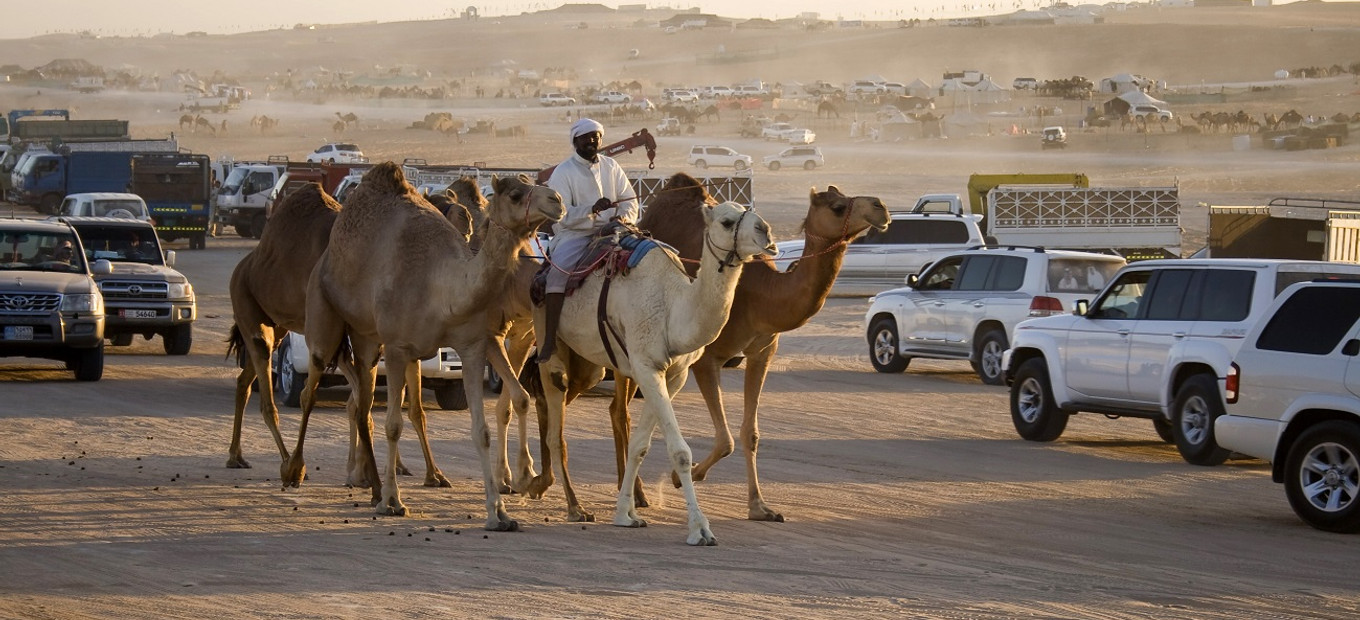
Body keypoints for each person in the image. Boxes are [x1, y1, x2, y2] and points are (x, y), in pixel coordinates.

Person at [537, 118, 639, 362]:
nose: (592, 141)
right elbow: (559, 215)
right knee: (557, 277)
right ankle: (549, 340)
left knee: (652, 255)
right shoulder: (563, 172)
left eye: (596, 136)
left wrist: (620, 217)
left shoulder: (612, 166)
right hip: (576, 234)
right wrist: (590, 210)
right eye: (586, 137)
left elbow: (630, 200)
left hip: (615, 230)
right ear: (576, 141)